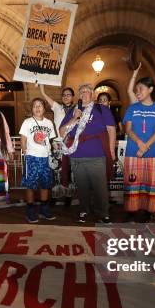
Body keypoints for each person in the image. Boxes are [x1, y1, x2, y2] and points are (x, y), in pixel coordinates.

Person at [60, 83, 116, 223]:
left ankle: (104, 212)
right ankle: (84, 210)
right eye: (81, 92)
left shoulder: (101, 109)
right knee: (82, 187)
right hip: (76, 155)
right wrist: (75, 118)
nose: (83, 94)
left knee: (100, 187)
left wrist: (111, 150)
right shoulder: (73, 110)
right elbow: (61, 132)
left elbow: (111, 130)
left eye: (86, 91)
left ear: (92, 94)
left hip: (97, 154)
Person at [123, 77, 155, 222]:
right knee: (133, 183)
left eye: (140, 88)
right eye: (136, 89)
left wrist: (145, 146)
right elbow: (128, 129)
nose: (137, 91)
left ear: (150, 89)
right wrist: (140, 143)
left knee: (151, 183)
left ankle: (148, 212)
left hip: (152, 153)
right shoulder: (132, 108)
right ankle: (131, 213)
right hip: (132, 151)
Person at [19, 98, 57, 222]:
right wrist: (25, 151)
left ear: (44, 108)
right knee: (30, 184)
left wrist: (53, 151)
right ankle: (30, 209)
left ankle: (44, 208)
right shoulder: (27, 122)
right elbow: (23, 138)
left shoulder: (49, 123)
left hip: (45, 157)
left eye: (40, 105)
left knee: (45, 184)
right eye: (35, 106)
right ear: (32, 109)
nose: (37, 108)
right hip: (32, 157)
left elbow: (51, 140)